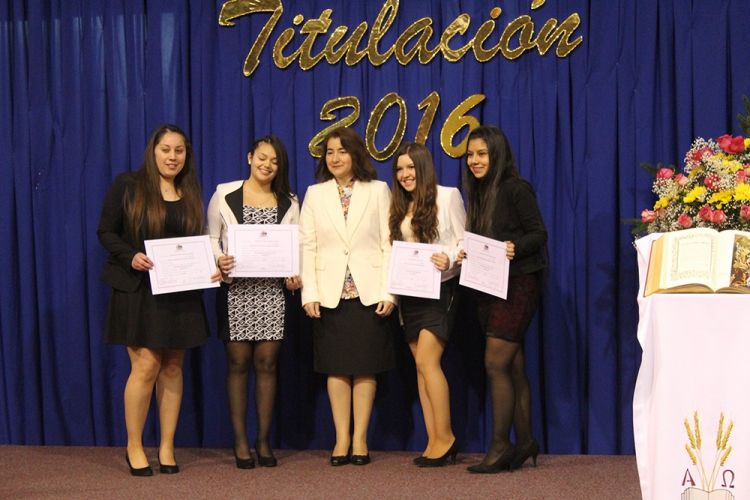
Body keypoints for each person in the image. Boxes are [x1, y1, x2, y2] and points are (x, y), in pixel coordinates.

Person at [97, 124, 219, 476]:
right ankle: (134, 446)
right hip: (138, 290)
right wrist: (130, 256)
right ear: (153, 151)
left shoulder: (189, 190)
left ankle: (166, 446)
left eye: (179, 150)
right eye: (166, 149)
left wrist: (209, 266)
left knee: (173, 367)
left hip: (179, 291)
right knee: (146, 366)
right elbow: (106, 231)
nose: (172, 157)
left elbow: (195, 242)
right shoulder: (128, 184)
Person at [299, 127, 395, 466]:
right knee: (336, 369)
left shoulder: (378, 190)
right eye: (330, 152)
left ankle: (360, 440)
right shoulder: (315, 194)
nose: (335, 157)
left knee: (366, 368)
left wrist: (389, 292)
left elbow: (388, 243)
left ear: (356, 154)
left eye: (342, 151)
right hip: (330, 294)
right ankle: (341, 439)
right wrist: (309, 292)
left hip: (369, 292)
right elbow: (307, 245)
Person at [457, 126, 548, 474]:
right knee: (512, 366)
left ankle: (499, 446)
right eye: (470, 155)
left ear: (497, 155)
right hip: (488, 286)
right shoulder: (478, 192)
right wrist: (468, 253)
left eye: (482, 154)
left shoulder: (515, 188)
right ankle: (525, 441)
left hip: (519, 284)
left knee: (495, 364)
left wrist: (514, 247)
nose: (474, 160)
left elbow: (538, 233)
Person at [207, 135, 301, 469]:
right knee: (237, 363)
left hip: (272, 293)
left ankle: (262, 440)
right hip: (236, 291)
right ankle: (240, 441)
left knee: (267, 364)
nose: (267, 165)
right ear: (250, 157)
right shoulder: (224, 194)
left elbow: (297, 245)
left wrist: (295, 273)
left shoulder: (289, 201)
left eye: (274, 161)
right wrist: (219, 259)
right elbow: (211, 237)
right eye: (262, 158)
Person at [388, 142, 466, 467]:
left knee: (428, 361)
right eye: (399, 169)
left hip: (441, 290)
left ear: (423, 167)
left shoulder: (447, 196)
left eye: (410, 167)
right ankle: (433, 439)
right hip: (410, 295)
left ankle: (447, 437)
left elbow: (464, 242)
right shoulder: (400, 205)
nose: (405, 174)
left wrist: (449, 258)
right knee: (419, 366)